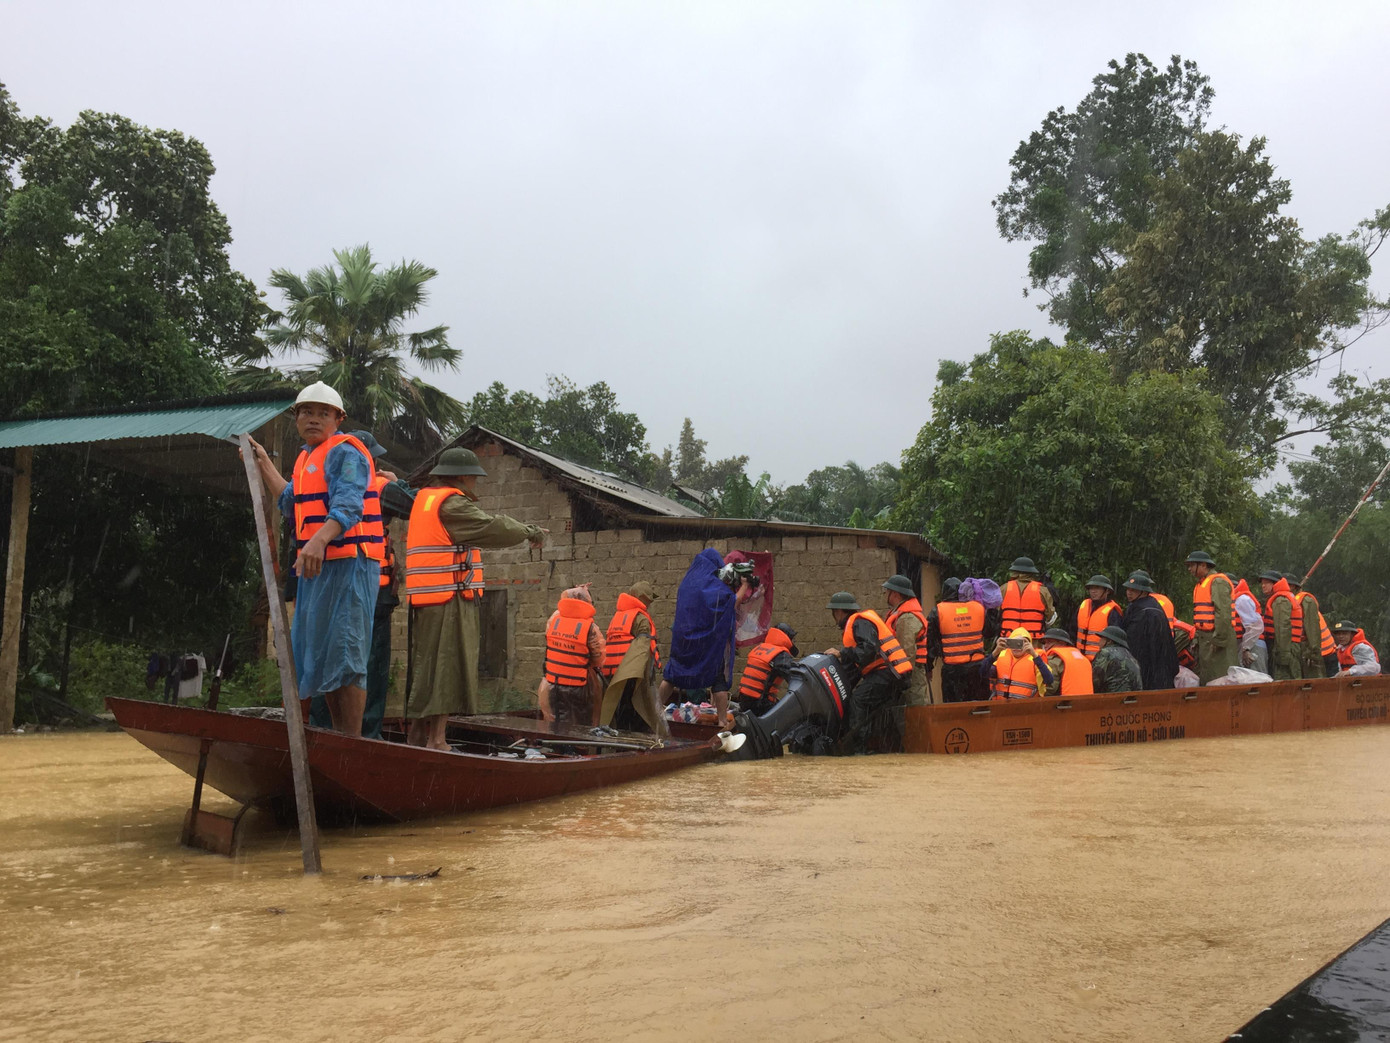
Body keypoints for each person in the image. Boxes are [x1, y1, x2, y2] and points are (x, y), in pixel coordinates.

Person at [246, 381, 383, 736]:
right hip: (316, 568)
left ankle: (352, 742)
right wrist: (262, 461)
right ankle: (340, 735)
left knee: (346, 654)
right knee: (322, 656)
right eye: (306, 411)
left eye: (323, 413)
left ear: (338, 419)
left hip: (350, 564)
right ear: (296, 418)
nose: (313, 418)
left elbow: (350, 503)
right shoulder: (306, 458)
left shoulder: (345, 451)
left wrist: (319, 540)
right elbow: (291, 501)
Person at [404, 447, 547, 750]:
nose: (476, 484)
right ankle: (437, 741)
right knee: (447, 666)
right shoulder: (452, 505)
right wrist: (529, 531)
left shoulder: (424, 500)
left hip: (429, 598)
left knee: (428, 667)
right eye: (475, 478)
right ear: (464, 476)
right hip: (447, 599)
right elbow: (491, 528)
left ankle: (417, 736)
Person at [306, 430, 414, 739]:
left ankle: (323, 730)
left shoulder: (320, 480)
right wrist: (396, 483)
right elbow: (417, 505)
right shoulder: (377, 485)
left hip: (327, 583)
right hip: (370, 590)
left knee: (328, 660)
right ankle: (366, 735)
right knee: (366, 667)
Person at [659, 551, 749, 727]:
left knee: (672, 675)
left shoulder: (686, 584)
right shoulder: (714, 587)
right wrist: (744, 586)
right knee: (718, 681)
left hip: (683, 642)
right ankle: (722, 721)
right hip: (706, 646)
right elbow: (731, 603)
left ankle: (653, 711)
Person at [824, 592, 913, 753]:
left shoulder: (859, 622)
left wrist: (841, 654)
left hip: (889, 672)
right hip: (893, 673)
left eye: (833, 613)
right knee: (879, 711)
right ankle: (892, 749)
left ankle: (860, 750)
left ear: (839, 611)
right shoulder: (858, 624)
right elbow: (855, 668)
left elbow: (868, 650)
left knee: (858, 701)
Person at [599, 580, 667, 736]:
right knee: (638, 712)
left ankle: (618, 742)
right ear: (640, 597)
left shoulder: (618, 616)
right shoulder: (641, 619)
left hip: (612, 674)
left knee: (618, 713)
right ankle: (637, 743)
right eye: (649, 598)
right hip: (631, 675)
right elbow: (643, 649)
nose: (650, 602)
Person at [541, 585, 605, 724]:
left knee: (556, 721)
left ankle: (556, 744)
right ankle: (578, 746)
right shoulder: (590, 627)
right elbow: (599, 657)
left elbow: (548, 641)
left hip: (553, 683)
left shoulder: (554, 620)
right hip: (579, 686)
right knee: (580, 724)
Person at [926, 577, 990, 703]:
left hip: (953, 671)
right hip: (977, 669)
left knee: (954, 711)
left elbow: (930, 643)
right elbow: (989, 631)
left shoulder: (938, 612)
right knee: (980, 709)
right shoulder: (978, 608)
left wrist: (928, 667)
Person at [1185, 550, 1239, 684]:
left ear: (1203, 565)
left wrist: (1219, 640)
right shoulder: (1202, 583)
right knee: (1208, 677)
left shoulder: (1218, 582)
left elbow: (1223, 614)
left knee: (1219, 679)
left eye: (1192, 565)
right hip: (1206, 638)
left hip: (1216, 638)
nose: (1189, 569)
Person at [1119, 571, 1178, 689]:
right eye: (1128, 589)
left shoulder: (1146, 612)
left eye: (1134, 590)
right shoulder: (1143, 606)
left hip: (1150, 672)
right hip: (1158, 672)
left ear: (1144, 592)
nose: (1129, 593)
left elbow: (1137, 646)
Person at [883, 574, 930, 706]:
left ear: (896, 594)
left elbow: (907, 651)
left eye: (888, 591)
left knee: (914, 708)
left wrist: (901, 677)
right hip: (908, 671)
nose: (886, 594)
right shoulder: (901, 614)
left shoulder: (907, 618)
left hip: (910, 673)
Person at [733, 623, 799, 715]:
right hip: (761, 703)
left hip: (744, 699)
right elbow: (794, 677)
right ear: (787, 637)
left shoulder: (760, 648)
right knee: (787, 717)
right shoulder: (781, 654)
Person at [1286, 575, 1338, 679]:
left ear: (1292, 587)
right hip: (1322, 651)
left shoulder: (1304, 601)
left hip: (1321, 653)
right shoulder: (1297, 602)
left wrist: (1312, 653)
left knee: (1324, 686)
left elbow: (1312, 631)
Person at [985, 627, 1055, 700]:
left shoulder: (1036, 660)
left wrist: (1034, 655)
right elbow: (983, 672)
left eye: (1020, 644)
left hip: (1026, 707)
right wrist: (995, 652)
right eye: (1013, 643)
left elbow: (1049, 680)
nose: (1017, 648)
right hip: (1001, 706)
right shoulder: (1002, 656)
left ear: (1028, 645)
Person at [1258, 570, 1301, 681]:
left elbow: (1283, 627)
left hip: (1285, 646)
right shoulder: (1280, 598)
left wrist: (1284, 654)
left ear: (1275, 584)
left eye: (1266, 583)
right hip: (1284, 645)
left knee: (1284, 679)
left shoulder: (1280, 600)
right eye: (1262, 583)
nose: (1263, 586)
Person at [1000, 557, 1053, 639]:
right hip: (1033, 639)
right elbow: (1050, 617)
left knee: (1007, 652)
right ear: (1032, 572)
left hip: (1008, 638)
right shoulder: (1042, 590)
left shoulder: (1004, 588)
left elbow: (995, 613)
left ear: (1015, 572)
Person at [1076, 575, 1123, 660]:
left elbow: (1115, 641)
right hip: (1080, 659)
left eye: (1097, 588)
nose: (1093, 591)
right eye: (1091, 588)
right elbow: (1072, 630)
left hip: (1100, 661)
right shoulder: (1083, 605)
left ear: (1107, 591)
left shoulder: (1112, 611)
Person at [1040, 628, 1094, 696]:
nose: (1045, 646)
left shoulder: (1053, 661)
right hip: (1086, 702)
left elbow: (1049, 689)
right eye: (1044, 643)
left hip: (1064, 703)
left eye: (1049, 642)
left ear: (1062, 643)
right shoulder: (1084, 659)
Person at [1092, 625, 1143, 693]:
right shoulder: (1130, 656)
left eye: (1102, 638)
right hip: (1133, 700)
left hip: (1111, 700)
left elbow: (1094, 681)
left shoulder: (1105, 653)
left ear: (1109, 641)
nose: (1099, 642)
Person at [1232, 578, 1268, 674]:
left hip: (1253, 646)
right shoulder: (1237, 599)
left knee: (1257, 681)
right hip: (1250, 645)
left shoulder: (1241, 599)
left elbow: (1255, 626)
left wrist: (1246, 648)